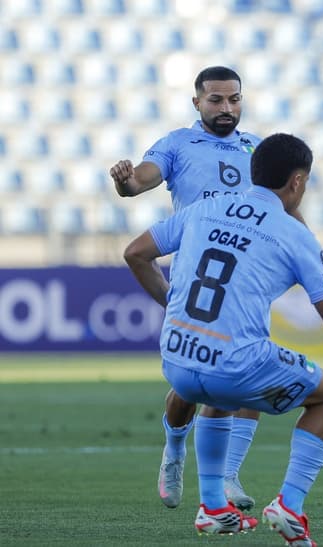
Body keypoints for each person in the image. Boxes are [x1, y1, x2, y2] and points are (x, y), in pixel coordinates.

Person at [124, 132, 323, 541]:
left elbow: (135, 252)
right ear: (297, 182)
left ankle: (212, 506)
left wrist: (174, 304)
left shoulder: (205, 208)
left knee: (220, 394)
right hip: (231, 363)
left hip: (176, 359)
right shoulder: (294, 234)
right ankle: (289, 505)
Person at [109, 66, 276, 510]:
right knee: (191, 388)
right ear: (197, 102)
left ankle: (229, 475)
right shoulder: (178, 145)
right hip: (195, 283)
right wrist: (125, 179)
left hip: (248, 281)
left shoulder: (257, 148)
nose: (227, 108)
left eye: (234, 99)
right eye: (216, 100)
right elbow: (138, 182)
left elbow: (279, 206)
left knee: (249, 375)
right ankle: (175, 449)